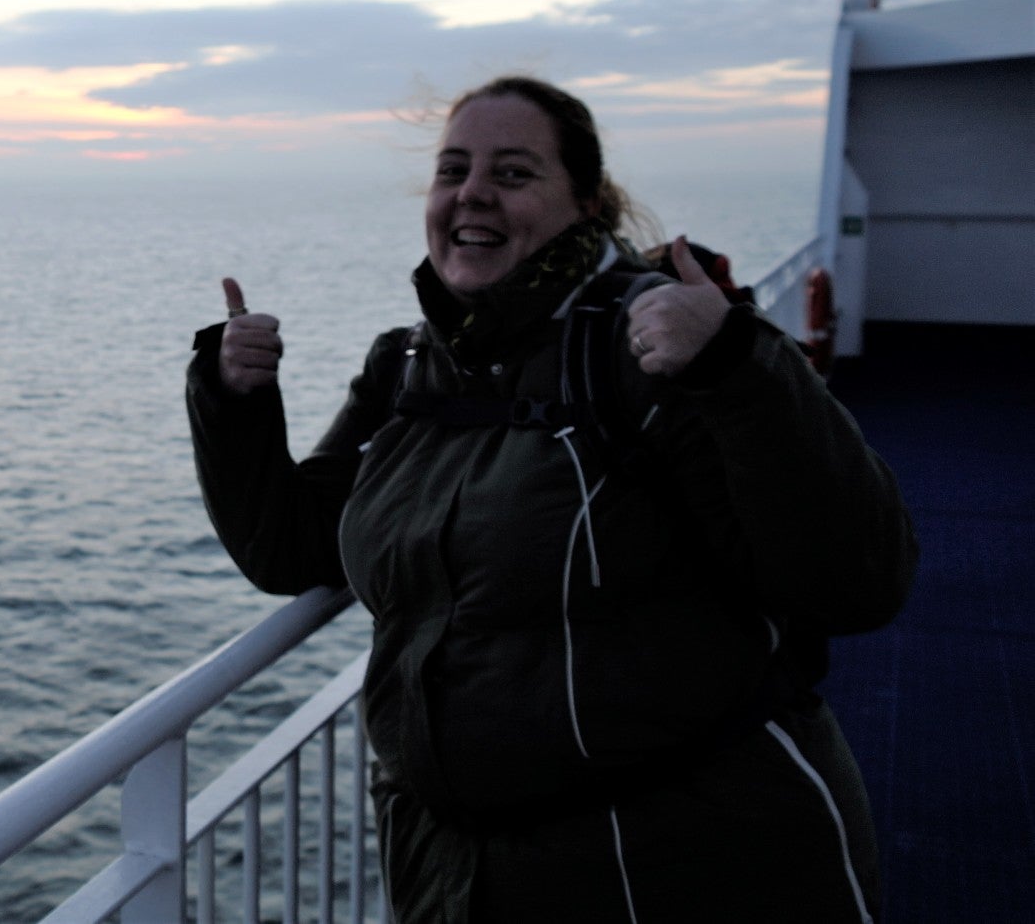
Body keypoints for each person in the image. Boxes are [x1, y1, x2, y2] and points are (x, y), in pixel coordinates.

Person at [186, 76, 915, 923]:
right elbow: (290, 547)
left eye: (513, 172)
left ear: (585, 201)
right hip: (456, 872)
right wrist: (231, 399)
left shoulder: (658, 345)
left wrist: (736, 363)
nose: (471, 192)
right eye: (452, 169)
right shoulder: (408, 367)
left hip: (684, 863)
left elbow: (859, 580)